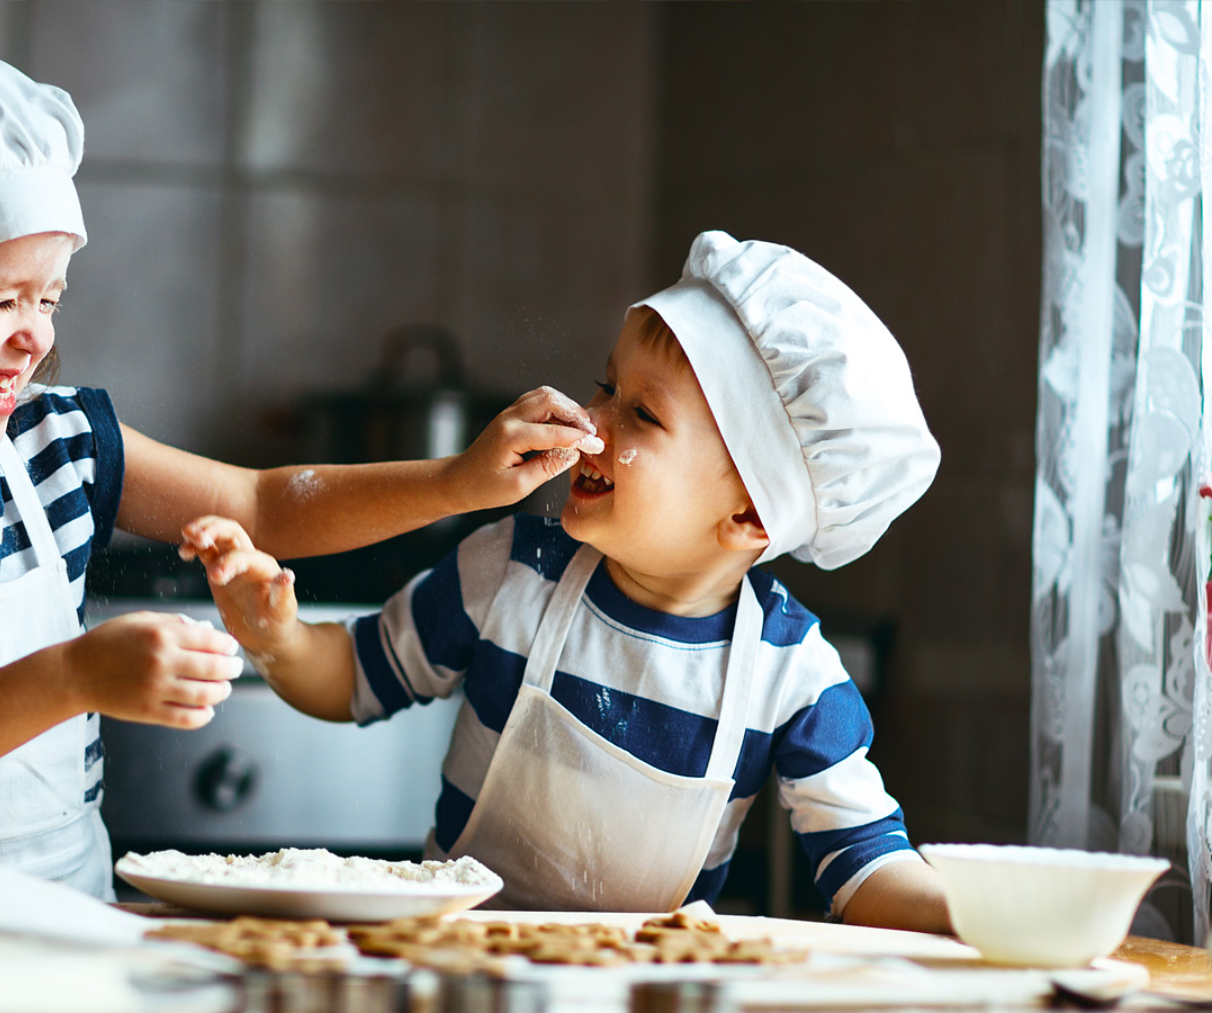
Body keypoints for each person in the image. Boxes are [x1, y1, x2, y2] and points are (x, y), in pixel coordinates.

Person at [0, 53, 602, 899]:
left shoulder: (60, 445)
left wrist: (457, 482)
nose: (37, 335)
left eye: (49, 298)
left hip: (64, 921)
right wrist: (70, 676)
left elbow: (263, 502)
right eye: (3, 297)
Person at [181, 231, 953, 931]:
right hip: (455, 973)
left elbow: (867, 868)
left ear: (750, 512)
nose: (592, 421)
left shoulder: (793, 673)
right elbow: (352, 678)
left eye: (641, 415)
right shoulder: (511, 569)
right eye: (604, 386)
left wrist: (979, 913)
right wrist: (276, 636)